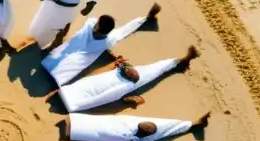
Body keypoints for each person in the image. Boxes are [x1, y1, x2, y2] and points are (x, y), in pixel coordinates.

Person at [47, 46, 199, 113]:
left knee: (152, 69)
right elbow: (106, 98)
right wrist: (127, 100)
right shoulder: (130, 83)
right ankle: (180, 62)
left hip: (116, 77)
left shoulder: (72, 92)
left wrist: (113, 65)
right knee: (155, 70)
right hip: (123, 82)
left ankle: (180, 62)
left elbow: (95, 80)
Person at [41, 4, 160, 86]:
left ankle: (145, 19)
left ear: (97, 25)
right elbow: (125, 30)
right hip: (61, 75)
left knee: (62, 55)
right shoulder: (109, 40)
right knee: (123, 32)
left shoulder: (89, 23)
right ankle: (145, 19)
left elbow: (95, 22)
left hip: (52, 60)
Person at [63, 112, 210, 141]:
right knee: (167, 129)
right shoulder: (135, 137)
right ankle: (192, 125)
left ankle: (192, 125)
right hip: (113, 129)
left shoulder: (131, 128)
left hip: (103, 125)